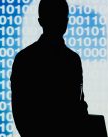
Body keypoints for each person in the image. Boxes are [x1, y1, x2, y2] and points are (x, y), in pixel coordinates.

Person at [10, 0, 88, 136]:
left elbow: (19, 110)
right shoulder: (72, 60)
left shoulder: (24, 58)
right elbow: (76, 106)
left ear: (41, 21)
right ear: (66, 22)